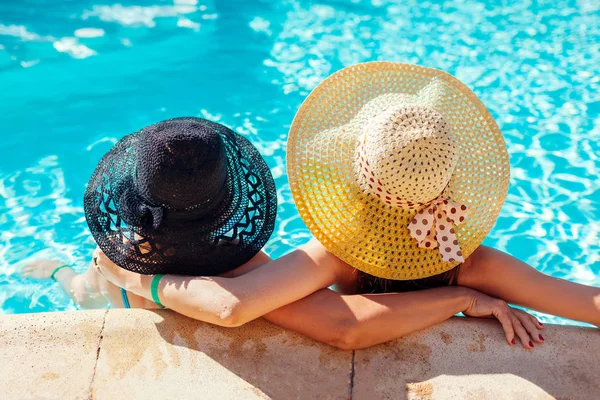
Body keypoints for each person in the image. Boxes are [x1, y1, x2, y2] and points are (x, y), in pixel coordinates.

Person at [94, 62, 600, 350]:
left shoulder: (337, 254)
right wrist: (462, 294)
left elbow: (244, 306)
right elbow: (585, 303)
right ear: (449, 182)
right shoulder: (472, 263)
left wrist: (137, 278)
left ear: (353, 176)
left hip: (150, 280)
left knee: (106, 285)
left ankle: (67, 276)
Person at [21, 117, 278, 309]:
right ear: (226, 205)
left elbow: (85, 297)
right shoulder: (247, 266)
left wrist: (60, 271)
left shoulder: (115, 259)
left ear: (135, 191)